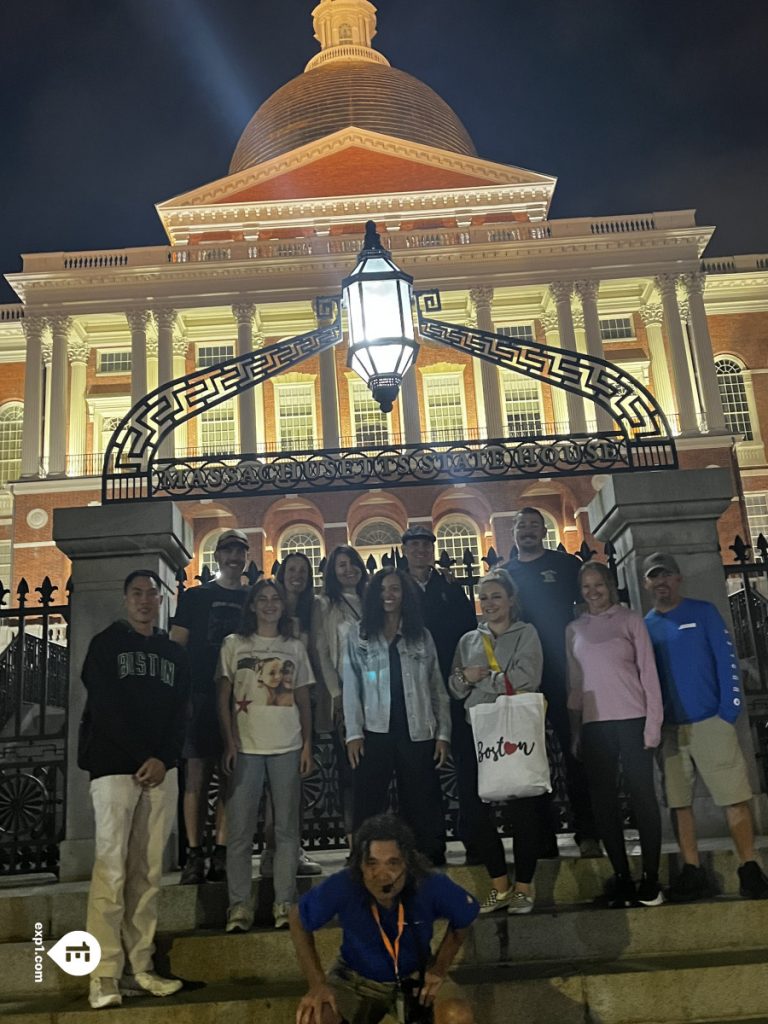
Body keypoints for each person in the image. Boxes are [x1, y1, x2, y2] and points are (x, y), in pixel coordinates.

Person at [80, 570, 190, 1010]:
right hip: (113, 769)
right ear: (125, 599)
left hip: (160, 770)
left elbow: (181, 711)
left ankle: (140, 966)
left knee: (147, 873)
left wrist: (163, 758)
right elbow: (105, 707)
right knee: (111, 870)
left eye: (152, 594)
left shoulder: (173, 653)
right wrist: (142, 754)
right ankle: (103, 975)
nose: (145, 601)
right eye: (137, 594)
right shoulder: (105, 645)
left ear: (161, 601)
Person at [643, 552, 768, 901]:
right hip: (671, 728)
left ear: (678, 578)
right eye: (654, 577)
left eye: (666, 575)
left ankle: (749, 866)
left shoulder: (702, 612)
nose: (661, 582)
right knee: (679, 803)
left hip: (710, 720)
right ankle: (692, 869)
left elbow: (726, 658)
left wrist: (729, 710)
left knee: (735, 797)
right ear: (646, 583)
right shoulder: (646, 625)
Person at [289, 814, 479, 1024]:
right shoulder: (343, 885)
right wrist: (317, 983)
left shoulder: (429, 884)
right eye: (372, 863)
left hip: (416, 975)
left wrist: (440, 967)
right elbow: (297, 917)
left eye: (393, 863)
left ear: (408, 862)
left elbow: (465, 915)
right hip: (354, 978)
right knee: (314, 1018)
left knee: (457, 1015)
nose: (382, 874)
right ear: (359, 864)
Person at [217, 578, 315, 932]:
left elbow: (304, 699)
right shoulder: (233, 644)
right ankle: (239, 905)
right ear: (253, 606)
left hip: (287, 746)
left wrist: (307, 745)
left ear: (282, 607)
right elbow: (223, 698)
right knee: (241, 832)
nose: (270, 604)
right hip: (246, 747)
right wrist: (229, 742)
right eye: (263, 599)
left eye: (275, 599)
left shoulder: (295, 647)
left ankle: (283, 903)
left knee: (287, 830)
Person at [566, 562, 665, 907]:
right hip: (595, 725)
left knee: (642, 798)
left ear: (610, 585)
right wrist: (576, 729)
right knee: (603, 804)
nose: (593, 591)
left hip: (633, 718)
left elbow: (649, 673)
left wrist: (653, 725)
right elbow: (575, 684)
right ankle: (622, 875)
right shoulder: (575, 629)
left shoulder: (630, 620)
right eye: (586, 586)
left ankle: (651, 878)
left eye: (599, 585)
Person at [503, 507, 600, 857]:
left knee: (577, 752)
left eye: (533, 525)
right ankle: (542, 838)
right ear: (513, 533)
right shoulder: (505, 573)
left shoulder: (566, 565)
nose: (527, 531)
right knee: (532, 756)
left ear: (543, 531)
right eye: (521, 525)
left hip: (564, 673)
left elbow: (586, 611)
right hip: (525, 677)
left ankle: (588, 831)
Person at [449, 568, 545, 915]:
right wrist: (465, 679)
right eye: (484, 597)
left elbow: (527, 679)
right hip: (479, 731)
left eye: (496, 597)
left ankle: (524, 886)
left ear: (511, 600)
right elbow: (455, 686)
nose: (489, 603)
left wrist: (482, 679)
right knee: (476, 812)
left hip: (515, 731)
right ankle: (499, 884)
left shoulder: (526, 634)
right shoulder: (468, 640)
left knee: (522, 810)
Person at [343, 568, 451, 865]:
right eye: (382, 589)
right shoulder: (359, 633)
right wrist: (353, 733)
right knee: (368, 796)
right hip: (374, 728)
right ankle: (363, 857)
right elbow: (351, 685)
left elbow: (436, 686)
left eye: (395, 589)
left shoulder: (421, 635)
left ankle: (427, 854)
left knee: (421, 795)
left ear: (405, 595)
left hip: (417, 727)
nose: (388, 595)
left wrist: (443, 734)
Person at [170, 527, 250, 885]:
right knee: (197, 778)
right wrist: (180, 697)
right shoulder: (195, 598)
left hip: (240, 700)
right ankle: (193, 852)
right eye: (229, 551)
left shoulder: (251, 599)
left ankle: (220, 850)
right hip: (201, 696)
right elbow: (177, 648)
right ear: (217, 557)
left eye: (240, 552)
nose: (235, 557)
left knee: (230, 777)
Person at [401, 525, 479, 864]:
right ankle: (429, 844)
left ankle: (474, 836)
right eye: (414, 545)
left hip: (454, 683)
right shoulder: (399, 588)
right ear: (405, 551)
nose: (420, 551)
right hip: (414, 687)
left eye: (425, 545)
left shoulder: (448, 586)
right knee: (421, 768)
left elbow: (468, 632)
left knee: (466, 763)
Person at [262, 551, 323, 877]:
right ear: (283, 572)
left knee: (295, 780)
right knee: (275, 781)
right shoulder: (273, 606)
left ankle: (291, 849)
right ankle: (273, 851)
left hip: (304, 697)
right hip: (274, 698)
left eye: (303, 570)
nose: (297, 574)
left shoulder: (315, 608)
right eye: (292, 569)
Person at [312, 544, 369, 848]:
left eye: (353, 563)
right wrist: (337, 696)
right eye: (341, 565)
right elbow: (322, 653)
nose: (349, 570)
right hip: (345, 697)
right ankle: (354, 843)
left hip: (376, 695)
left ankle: (378, 839)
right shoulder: (325, 605)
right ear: (332, 572)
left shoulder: (371, 600)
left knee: (377, 770)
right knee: (350, 771)